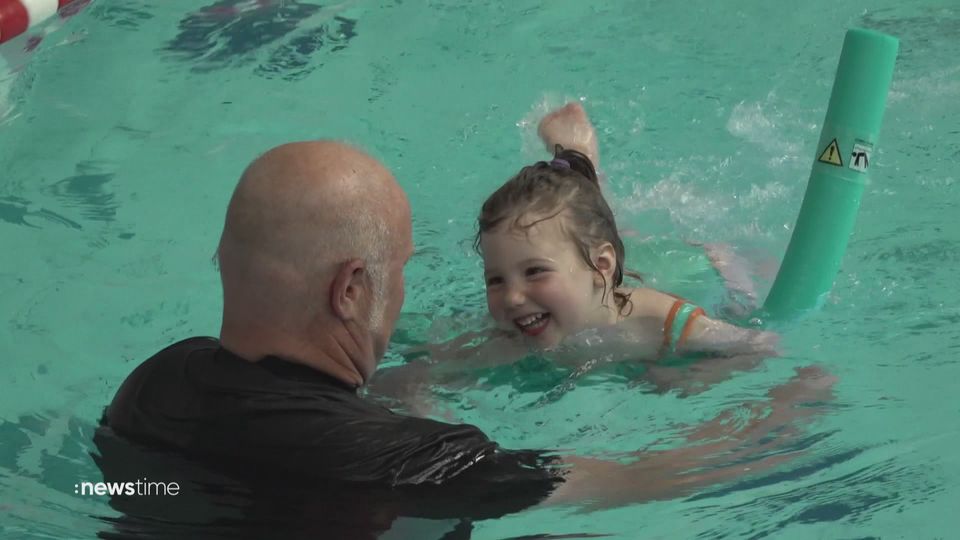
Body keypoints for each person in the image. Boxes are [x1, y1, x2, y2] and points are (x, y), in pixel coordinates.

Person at [94, 140, 834, 539]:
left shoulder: (153, 385)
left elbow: (127, 492)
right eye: (400, 271)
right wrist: (777, 423)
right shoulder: (404, 456)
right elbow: (636, 483)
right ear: (351, 290)